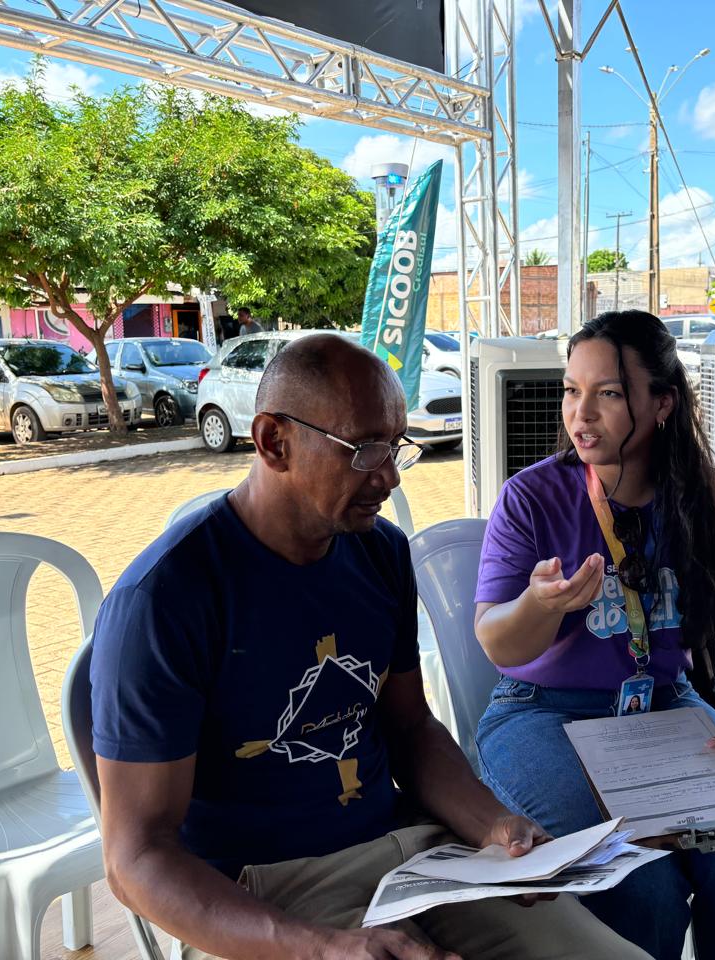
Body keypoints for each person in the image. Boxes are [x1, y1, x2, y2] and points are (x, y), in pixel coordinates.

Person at [90, 334, 650, 960]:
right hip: (263, 893)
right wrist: (322, 947)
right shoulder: (166, 598)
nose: (387, 475)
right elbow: (136, 859)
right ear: (274, 441)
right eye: (363, 450)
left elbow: (410, 729)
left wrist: (495, 826)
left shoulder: (379, 552)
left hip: (412, 852)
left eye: (395, 445)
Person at [472, 310, 715, 960]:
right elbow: (498, 643)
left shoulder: (710, 501)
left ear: (663, 403)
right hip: (542, 717)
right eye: (571, 389)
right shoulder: (531, 498)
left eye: (609, 392)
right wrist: (541, 606)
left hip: (665, 710)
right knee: (635, 884)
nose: (580, 412)